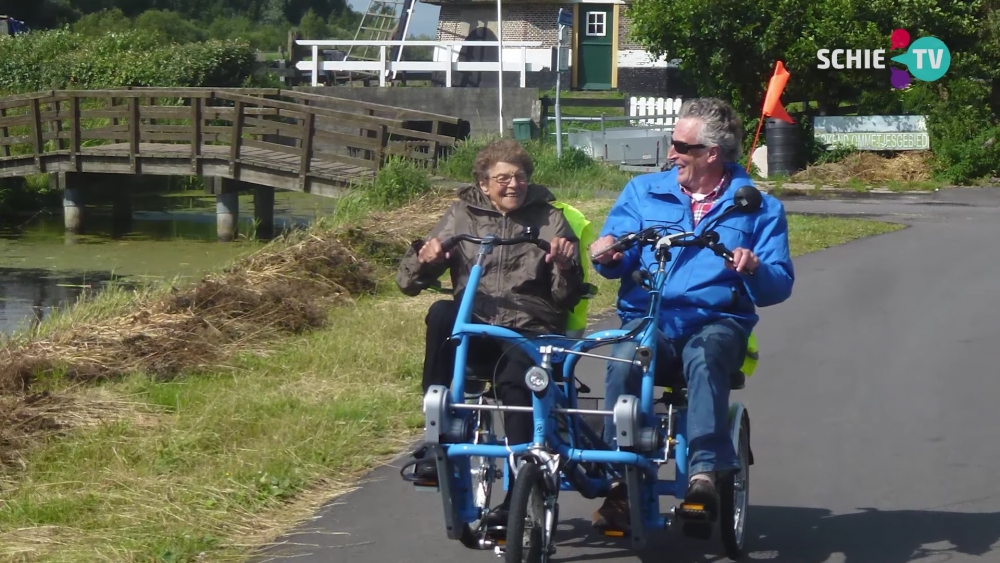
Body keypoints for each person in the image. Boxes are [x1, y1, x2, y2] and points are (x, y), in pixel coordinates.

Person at [588, 98, 795, 532]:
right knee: (624, 355)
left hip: (717, 321)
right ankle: (620, 479)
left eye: (680, 145)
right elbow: (617, 257)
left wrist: (754, 267)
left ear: (712, 153)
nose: (670, 153)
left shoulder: (758, 207)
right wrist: (608, 255)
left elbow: (779, 285)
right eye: (672, 142)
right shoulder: (643, 191)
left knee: (703, 355)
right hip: (651, 319)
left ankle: (703, 474)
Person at [397, 138, 588, 531]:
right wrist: (424, 261)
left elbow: (565, 297)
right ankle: (437, 433)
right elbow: (409, 283)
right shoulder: (460, 215)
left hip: (527, 331)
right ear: (484, 184)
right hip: (476, 327)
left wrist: (566, 268)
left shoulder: (550, 218)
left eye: (519, 177)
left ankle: (516, 495)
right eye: (503, 178)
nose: (513, 185)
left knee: (517, 382)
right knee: (440, 312)